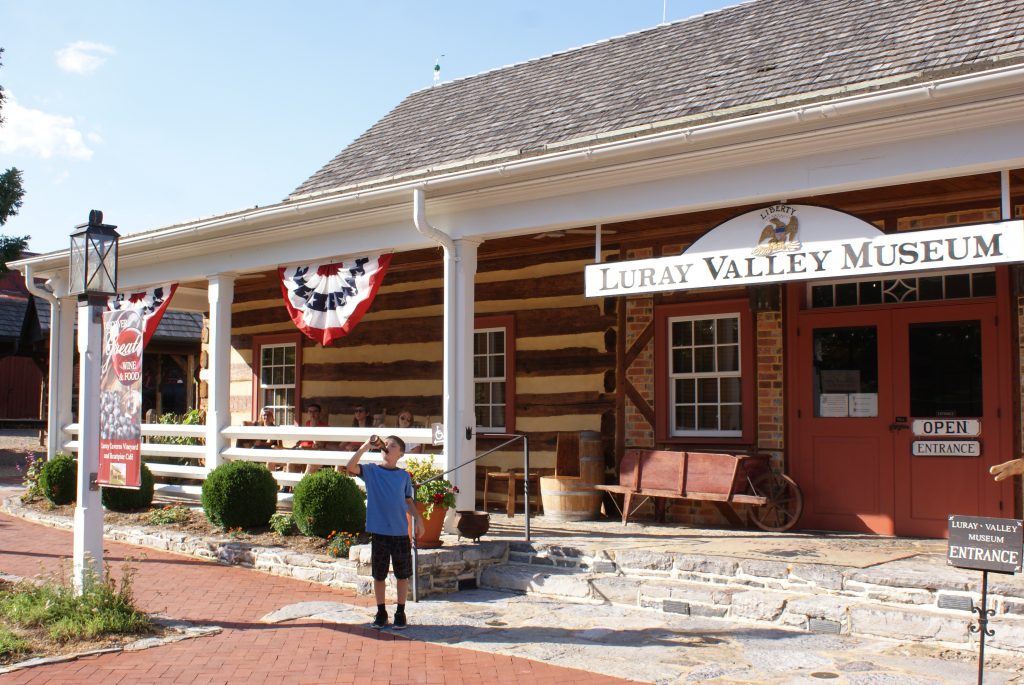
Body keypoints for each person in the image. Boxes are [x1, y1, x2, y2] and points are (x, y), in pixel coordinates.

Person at [347, 434, 424, 630]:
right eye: (386, 443)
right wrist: (366, 445)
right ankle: (381, 612)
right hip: (379, 533)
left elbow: (408, 500)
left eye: (393, 445)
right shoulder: (371, 471)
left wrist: (418, 519)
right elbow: (350, 466)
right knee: (379, 575)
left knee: (402, 575)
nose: (387, 446)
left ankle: (400, 612)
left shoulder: (404, 476)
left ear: (401, 454)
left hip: (400, 533)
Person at [294, 403, 327, 475]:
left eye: (315, 411)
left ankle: (303, 481)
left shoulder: (324, 426)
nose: (312, 414)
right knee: (290, 462)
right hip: (301, 449)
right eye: (310, 411)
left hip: (312, 450)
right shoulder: (307, 423)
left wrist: (313, 427)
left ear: (319, 413)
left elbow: (320, 444)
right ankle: (290, 482)